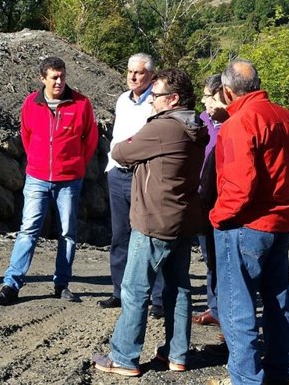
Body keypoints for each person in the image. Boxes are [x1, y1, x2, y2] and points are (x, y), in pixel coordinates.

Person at [92, 68, 208, 377]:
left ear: (173, 99)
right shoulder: (195, 126)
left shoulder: (163, 129)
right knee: (178, 288)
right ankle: (177, 354)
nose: (151, 101)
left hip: (154, 220)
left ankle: (124, 357)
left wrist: (140, 147)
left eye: (155, 96)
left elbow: (120, 152)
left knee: (134, 289)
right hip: (183, 219)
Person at [206, 61, 289, 385]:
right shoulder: (286, 117)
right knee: (278, 303)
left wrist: (217, 217)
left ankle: (247, 380)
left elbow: (240, 187)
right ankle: (277, 374)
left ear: (227, 91)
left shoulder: (238, 123)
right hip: (279, 223)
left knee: (238, 309)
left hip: (244, 226)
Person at [0, 56, 98, 306]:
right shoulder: (31, 103)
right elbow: (26, 135)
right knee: (28, 230)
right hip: (37, 177)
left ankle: (62, 284)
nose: (59, 81)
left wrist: (76, 164)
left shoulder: (81, 104)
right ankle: (11, 284)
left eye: (62, 76)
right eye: (54, 77)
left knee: (67, 233)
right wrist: (38, 161)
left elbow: (90, 139)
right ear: (43, 79)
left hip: (69, 179)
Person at [99, 53, 166, 316]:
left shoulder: (155, 102)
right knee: (120, 236)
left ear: (151, 75)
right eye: (129, 71)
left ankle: (158, 298)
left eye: (138, 72)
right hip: (117, 174)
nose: (133, 77)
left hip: (143, 176)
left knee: (151, 235)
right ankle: (119, 291)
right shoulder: (122, 100)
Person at [192, 74, 229, 328]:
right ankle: (214, 307)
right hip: (202, 199)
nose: (204, 101)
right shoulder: (201, 121)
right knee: (210, 258)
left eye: (208, 96)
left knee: (224, 258)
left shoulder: (234, 123)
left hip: (225, 200)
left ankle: (226, 313)